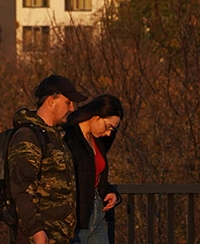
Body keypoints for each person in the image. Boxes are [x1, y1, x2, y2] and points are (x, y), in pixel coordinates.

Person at [7, 74, 88, 244]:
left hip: (59, 235)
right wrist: (37, 231)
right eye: (68, 102)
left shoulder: (56, 137)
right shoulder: (28, 137)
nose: (72, 108)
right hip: (39, 237)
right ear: (51, 101)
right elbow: (21, 189)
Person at [61, 95, 124, 244]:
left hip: (97, 212)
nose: (109, 133)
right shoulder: (68, 137)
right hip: (75, 218)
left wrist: (108, 190)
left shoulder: (97, 140)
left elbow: (92, 173)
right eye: (108, 127)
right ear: (96, 117)